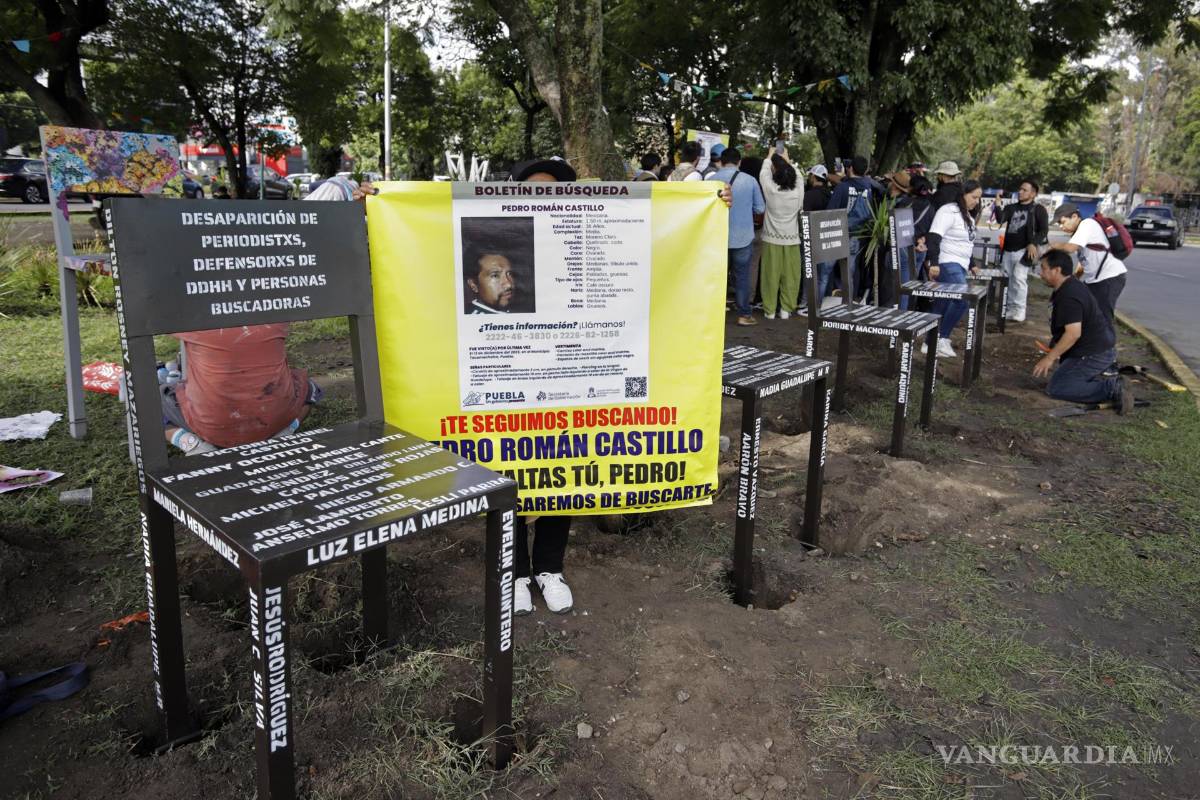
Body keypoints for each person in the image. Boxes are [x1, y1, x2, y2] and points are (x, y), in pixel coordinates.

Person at [1034, 250, 1132, 412]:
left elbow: (1073, 334)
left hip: (1094, 354)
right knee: (1064, 380)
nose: (1041, 273)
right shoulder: (1069, 285)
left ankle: (1112, 387)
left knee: (1057, 388)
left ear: (1057, 270)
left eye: (1044, 268)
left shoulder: (1069, 295)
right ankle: (1102, 382)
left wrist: (1049, 358)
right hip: (1094, 349)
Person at [924, 179, 983, 358]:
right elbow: (934, 236)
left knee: (943, 302)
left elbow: (966, 242)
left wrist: (972, 264)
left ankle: (928, 343)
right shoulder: (948, 211)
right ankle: (942, 338)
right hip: (947, 263)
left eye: (979, 198)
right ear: (963, 194)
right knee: (962, 299)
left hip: (960, 265)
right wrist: (933, 263)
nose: (976, 201)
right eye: (974, 197)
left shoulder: (968, 215)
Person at [707, 147, 764, 326]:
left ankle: (712, 315)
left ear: (721, 162)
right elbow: (760, 208)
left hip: (716, 238)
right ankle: (744, 315)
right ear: (739, 162)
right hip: (743, 237)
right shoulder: (750, 180)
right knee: (742, 276)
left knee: (716, 276)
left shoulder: (710, 180)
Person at [1047, 202, 1128, 322]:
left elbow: (1070, 248)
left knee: (1103, 316)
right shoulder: (1079, 232)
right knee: (1087, 311)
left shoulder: (1087, 224)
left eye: (1062, 222)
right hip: (1096, 280)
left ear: (1074, 217)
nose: (1060, 226)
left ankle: (1106, 340)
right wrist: (1074, 278)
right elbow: (1084, 261)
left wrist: (1052, 246)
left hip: (1109, 277)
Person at [757, 152, 803, 319]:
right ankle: (785, 310)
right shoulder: (798, 193)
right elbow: (799, 177)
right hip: (792, 240)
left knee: (770, 275)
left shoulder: (771, 191)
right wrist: (788, 160)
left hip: (771, 240)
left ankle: (769, 310)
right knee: (791, 276)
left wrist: (769, 156)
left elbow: (763, 174)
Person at [996, 179, 1049, 323]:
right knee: (1008, 280)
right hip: (1008, 250)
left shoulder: (1038, 209)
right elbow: (1000, 219)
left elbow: (1044, 230)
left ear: (1033, 193)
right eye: (1020, 189)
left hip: (1024, 251)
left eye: (1024, 190)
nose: (1020, 192)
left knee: (1019, 280)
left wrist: (1033, 243)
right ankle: (1010, 309)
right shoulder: (1011, 207)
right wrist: (997, 205)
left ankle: (1020, 310)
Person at [825, 154, 875, 301]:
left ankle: (821, 306)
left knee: (826, 271)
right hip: (856, 236)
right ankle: (849, 305)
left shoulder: (842, 187)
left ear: (850, 168)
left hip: (837, 234)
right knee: (849, 273)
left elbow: (829, 212)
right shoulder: (868, 187)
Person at [881, 171, 912, 308]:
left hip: (893, 250)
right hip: (906, 249)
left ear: (893, 185)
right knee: (903, 286)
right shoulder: (910, 202)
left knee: (890, 288)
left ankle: (889, 320)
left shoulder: (892, 205)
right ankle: (901, 314)